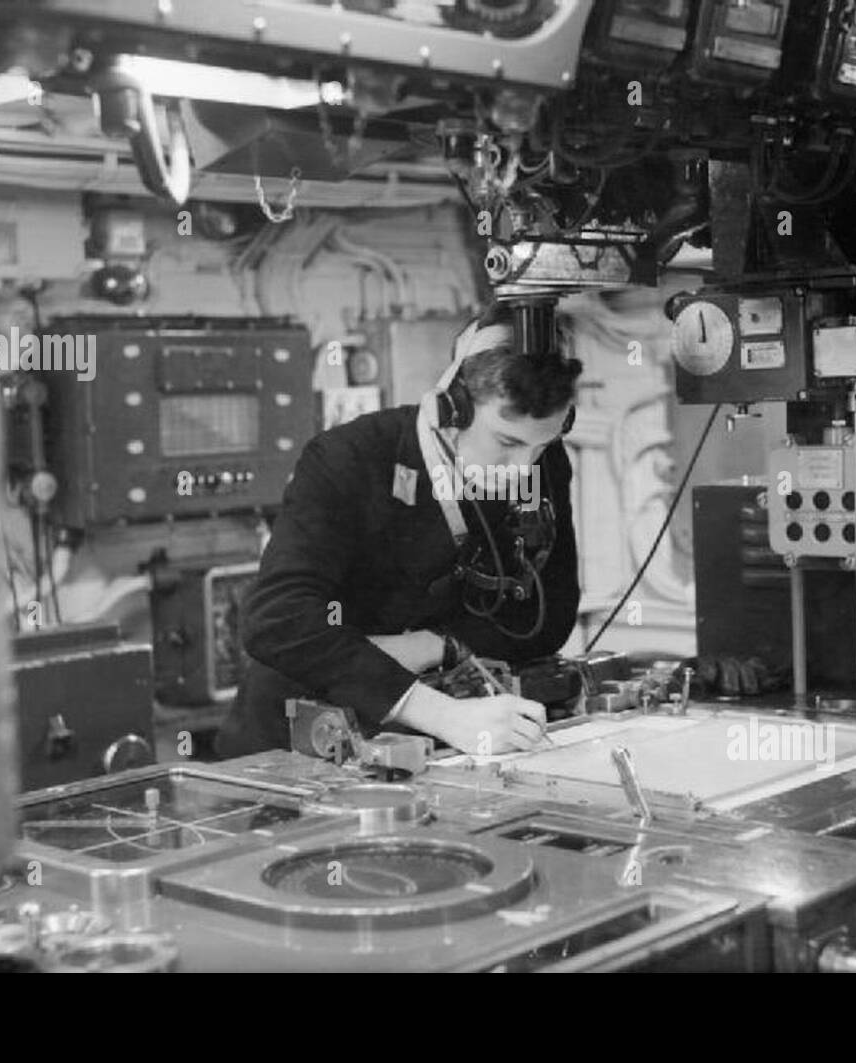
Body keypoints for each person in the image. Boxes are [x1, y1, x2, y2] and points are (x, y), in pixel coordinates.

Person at [216, 304, 583, 758]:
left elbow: (549, 618)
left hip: (443, 742)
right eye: (506, 442)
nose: (521, 469)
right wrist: (439, 714)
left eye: (541, 446)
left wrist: (435, 646)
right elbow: (278, 620)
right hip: (298, 741)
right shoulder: (350, 458)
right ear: (454, 407)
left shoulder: (539, 466)